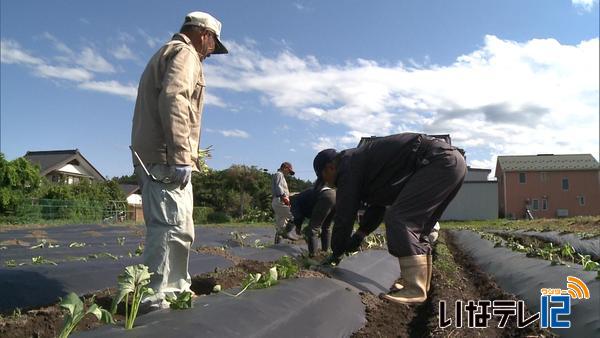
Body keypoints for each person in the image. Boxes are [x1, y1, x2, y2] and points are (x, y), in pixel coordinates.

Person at [130, 11, 228, 310]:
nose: (211, 53)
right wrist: (182, 156)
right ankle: (154, 296)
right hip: (166, 159)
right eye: (213, 45)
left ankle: (173, 290)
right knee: (170, 228)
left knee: (178, 228)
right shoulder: (186, 54)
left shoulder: (166, 53)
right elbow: (175, 99)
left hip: (158, 157)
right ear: (204, 35)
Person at [319, 133, 466, 304]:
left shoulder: (348, 166)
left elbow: (345, 213)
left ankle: (415, 289)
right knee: (420, 231)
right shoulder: (362, 165)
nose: (327, 183)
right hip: (451, 163)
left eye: (322, 177)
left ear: (330, 167)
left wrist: (336, 252)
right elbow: (378, 205)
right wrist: (361, 233)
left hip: (437, 161)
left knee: (399, 219)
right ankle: (420, 287)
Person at [289, 149, 337, 257]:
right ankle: (325, 252)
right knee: (327, 226)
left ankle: (313, 256)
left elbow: (298, 217)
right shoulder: (328, 184)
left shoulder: (295, 200)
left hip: (327, 196)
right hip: (335, 196)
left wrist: (297, 228)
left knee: (313, 229)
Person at [271, 162, 299, 243]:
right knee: (295, 216)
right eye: (289, 171)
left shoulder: (280, 176)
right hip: (280, 201)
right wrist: (284, 197)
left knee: (281, 227)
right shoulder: (279, 174)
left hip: (277, 201)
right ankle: (288, 233)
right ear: (285, 168)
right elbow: (279, 186)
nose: (289, 174)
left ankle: (276, 244)